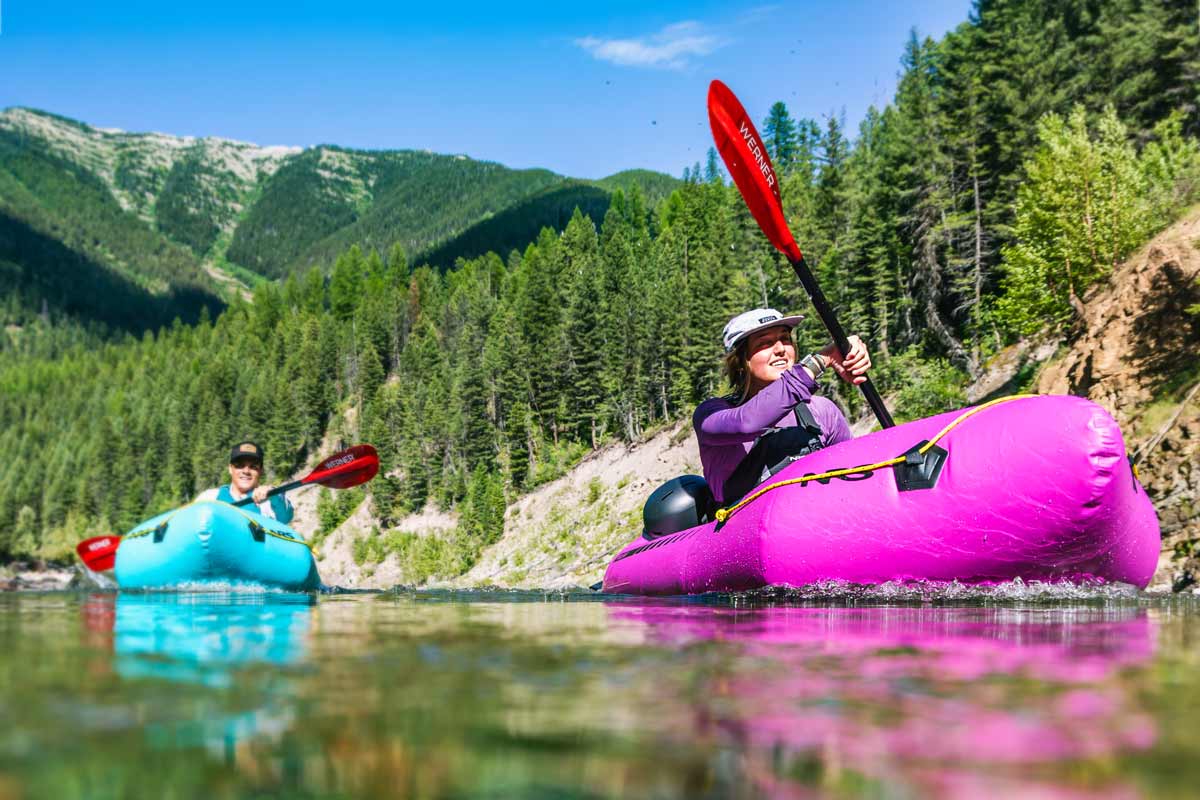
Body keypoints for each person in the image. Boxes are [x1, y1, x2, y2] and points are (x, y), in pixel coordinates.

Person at [693, 308, 873, 505]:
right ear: (740, 361)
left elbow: (855, 476)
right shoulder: (711, 414)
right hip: (748, 532)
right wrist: (820, 361)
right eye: (765, 342)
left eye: (785, 338)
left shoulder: (822, 411)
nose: (780, 349)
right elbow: (747, 422)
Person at [196, 441, 294, 524]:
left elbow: (286, 517)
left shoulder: (269, 500)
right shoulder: (210, 497)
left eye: (253, 466)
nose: (246, 471)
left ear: (261, 470)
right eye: (240, 465)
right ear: (230, 469)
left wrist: (272, 495)